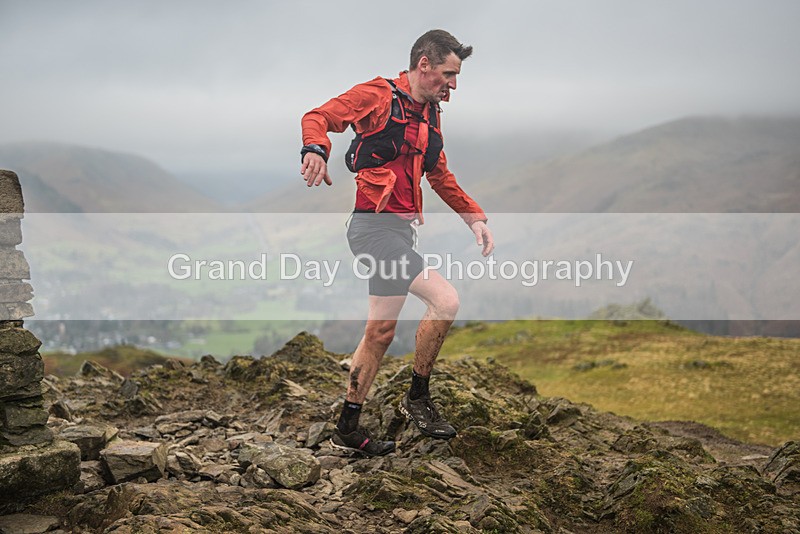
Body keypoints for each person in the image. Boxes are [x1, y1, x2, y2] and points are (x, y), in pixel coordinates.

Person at [300, 29, 494, 456]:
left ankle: (348, 426)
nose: (453, 85)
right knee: (444, 301)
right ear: (424, 65)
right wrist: (314, 148)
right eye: (448, 74)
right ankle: (418, 397)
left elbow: (439, 174)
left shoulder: (429, 115)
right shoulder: (377, 94)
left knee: (381, 333)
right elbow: (318, 116)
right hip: (372, 229)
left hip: (399, 230)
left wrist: (473, 216)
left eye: (457, 76)